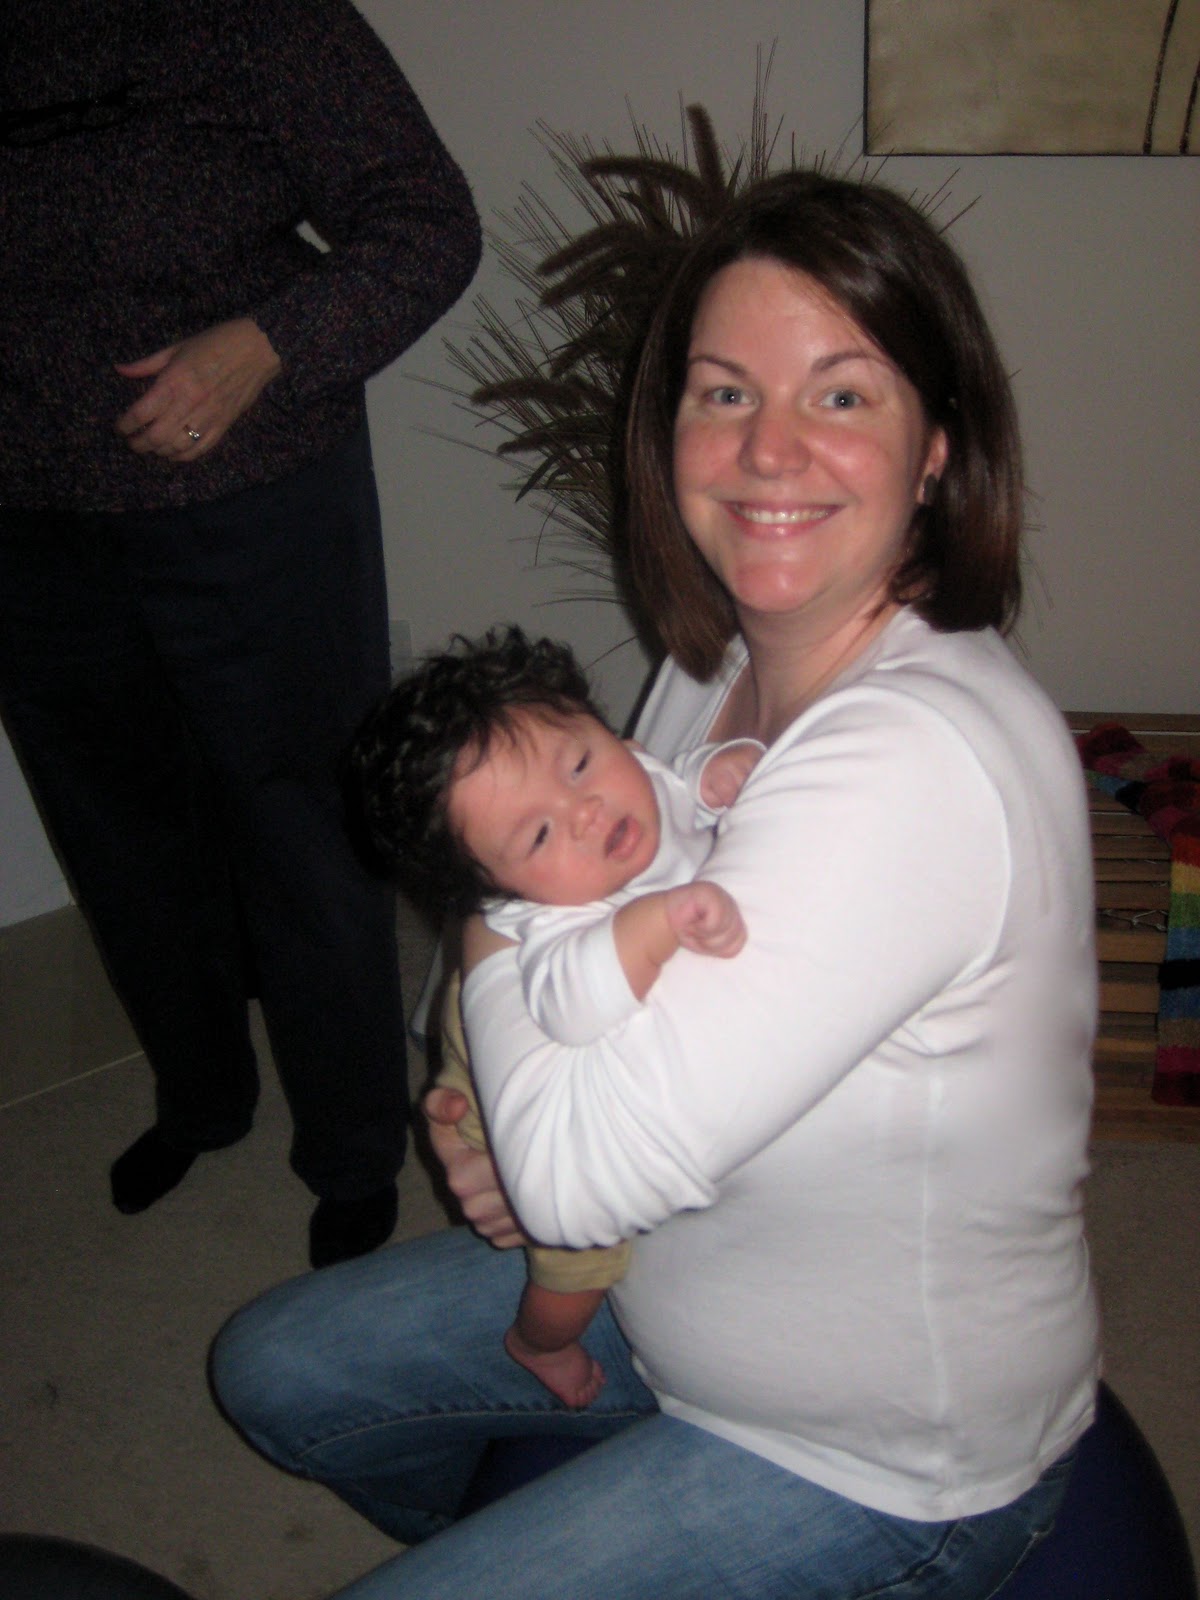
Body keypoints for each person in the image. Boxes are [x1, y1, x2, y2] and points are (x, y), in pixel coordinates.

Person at [211, 166, 1101, 1598]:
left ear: (938, 445)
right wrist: (493, 1110)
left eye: (843, 394)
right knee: (272, 1365)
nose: (768, 449)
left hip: (876, 1453)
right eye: (724, 391)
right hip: (669, 1289)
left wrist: (511, 1065)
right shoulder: (718, 661)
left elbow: (567, 1158)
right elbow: (543, 896)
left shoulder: (914, 765)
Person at [0, 0, 481, 1267]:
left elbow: (428, 220)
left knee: (303, 831)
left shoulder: (251, 16)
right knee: (119, 837)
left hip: (254, 496)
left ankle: (353, 1146)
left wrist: (269, 343)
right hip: (30, 517)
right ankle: (203, 1096)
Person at [348, 623, 758, 1407]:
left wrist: (715, 773)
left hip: (487, 1012)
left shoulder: (631, 776)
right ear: (497, 892)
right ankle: (540, 1342)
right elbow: (572, 1006)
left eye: (578, 763)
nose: (584, 810)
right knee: (581, 1249)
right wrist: (656, 923)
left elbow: (670, 780)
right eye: (538, 833)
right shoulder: (548, 924)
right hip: (509, 1032)